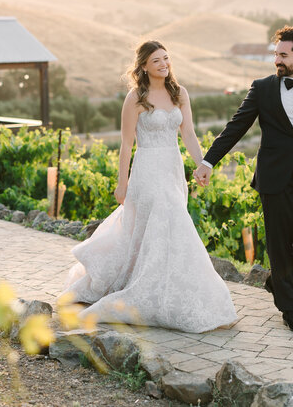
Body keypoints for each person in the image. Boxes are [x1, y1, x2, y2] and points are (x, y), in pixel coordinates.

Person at [61, 40, 238, 333]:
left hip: (172, 169)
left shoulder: (180, 94)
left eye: (166, 58)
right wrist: (122, 183)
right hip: (147, 171)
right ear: (144, 66)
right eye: (156, 60)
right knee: (169, 220)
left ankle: (170, 284)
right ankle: (147, 289)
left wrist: (202, 164)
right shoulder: (135, 98)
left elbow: (189, 134)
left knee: (161, 230)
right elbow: (127, 144)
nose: (163, 64)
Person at [194, 26, 293, 335]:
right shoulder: (262, 88)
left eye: (283, 55)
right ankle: (289, 309)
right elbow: (236, 127)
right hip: (274, 177)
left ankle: (276, 280)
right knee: (278, 244)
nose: (276, 60)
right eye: (275, 54)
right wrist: (208, 161)